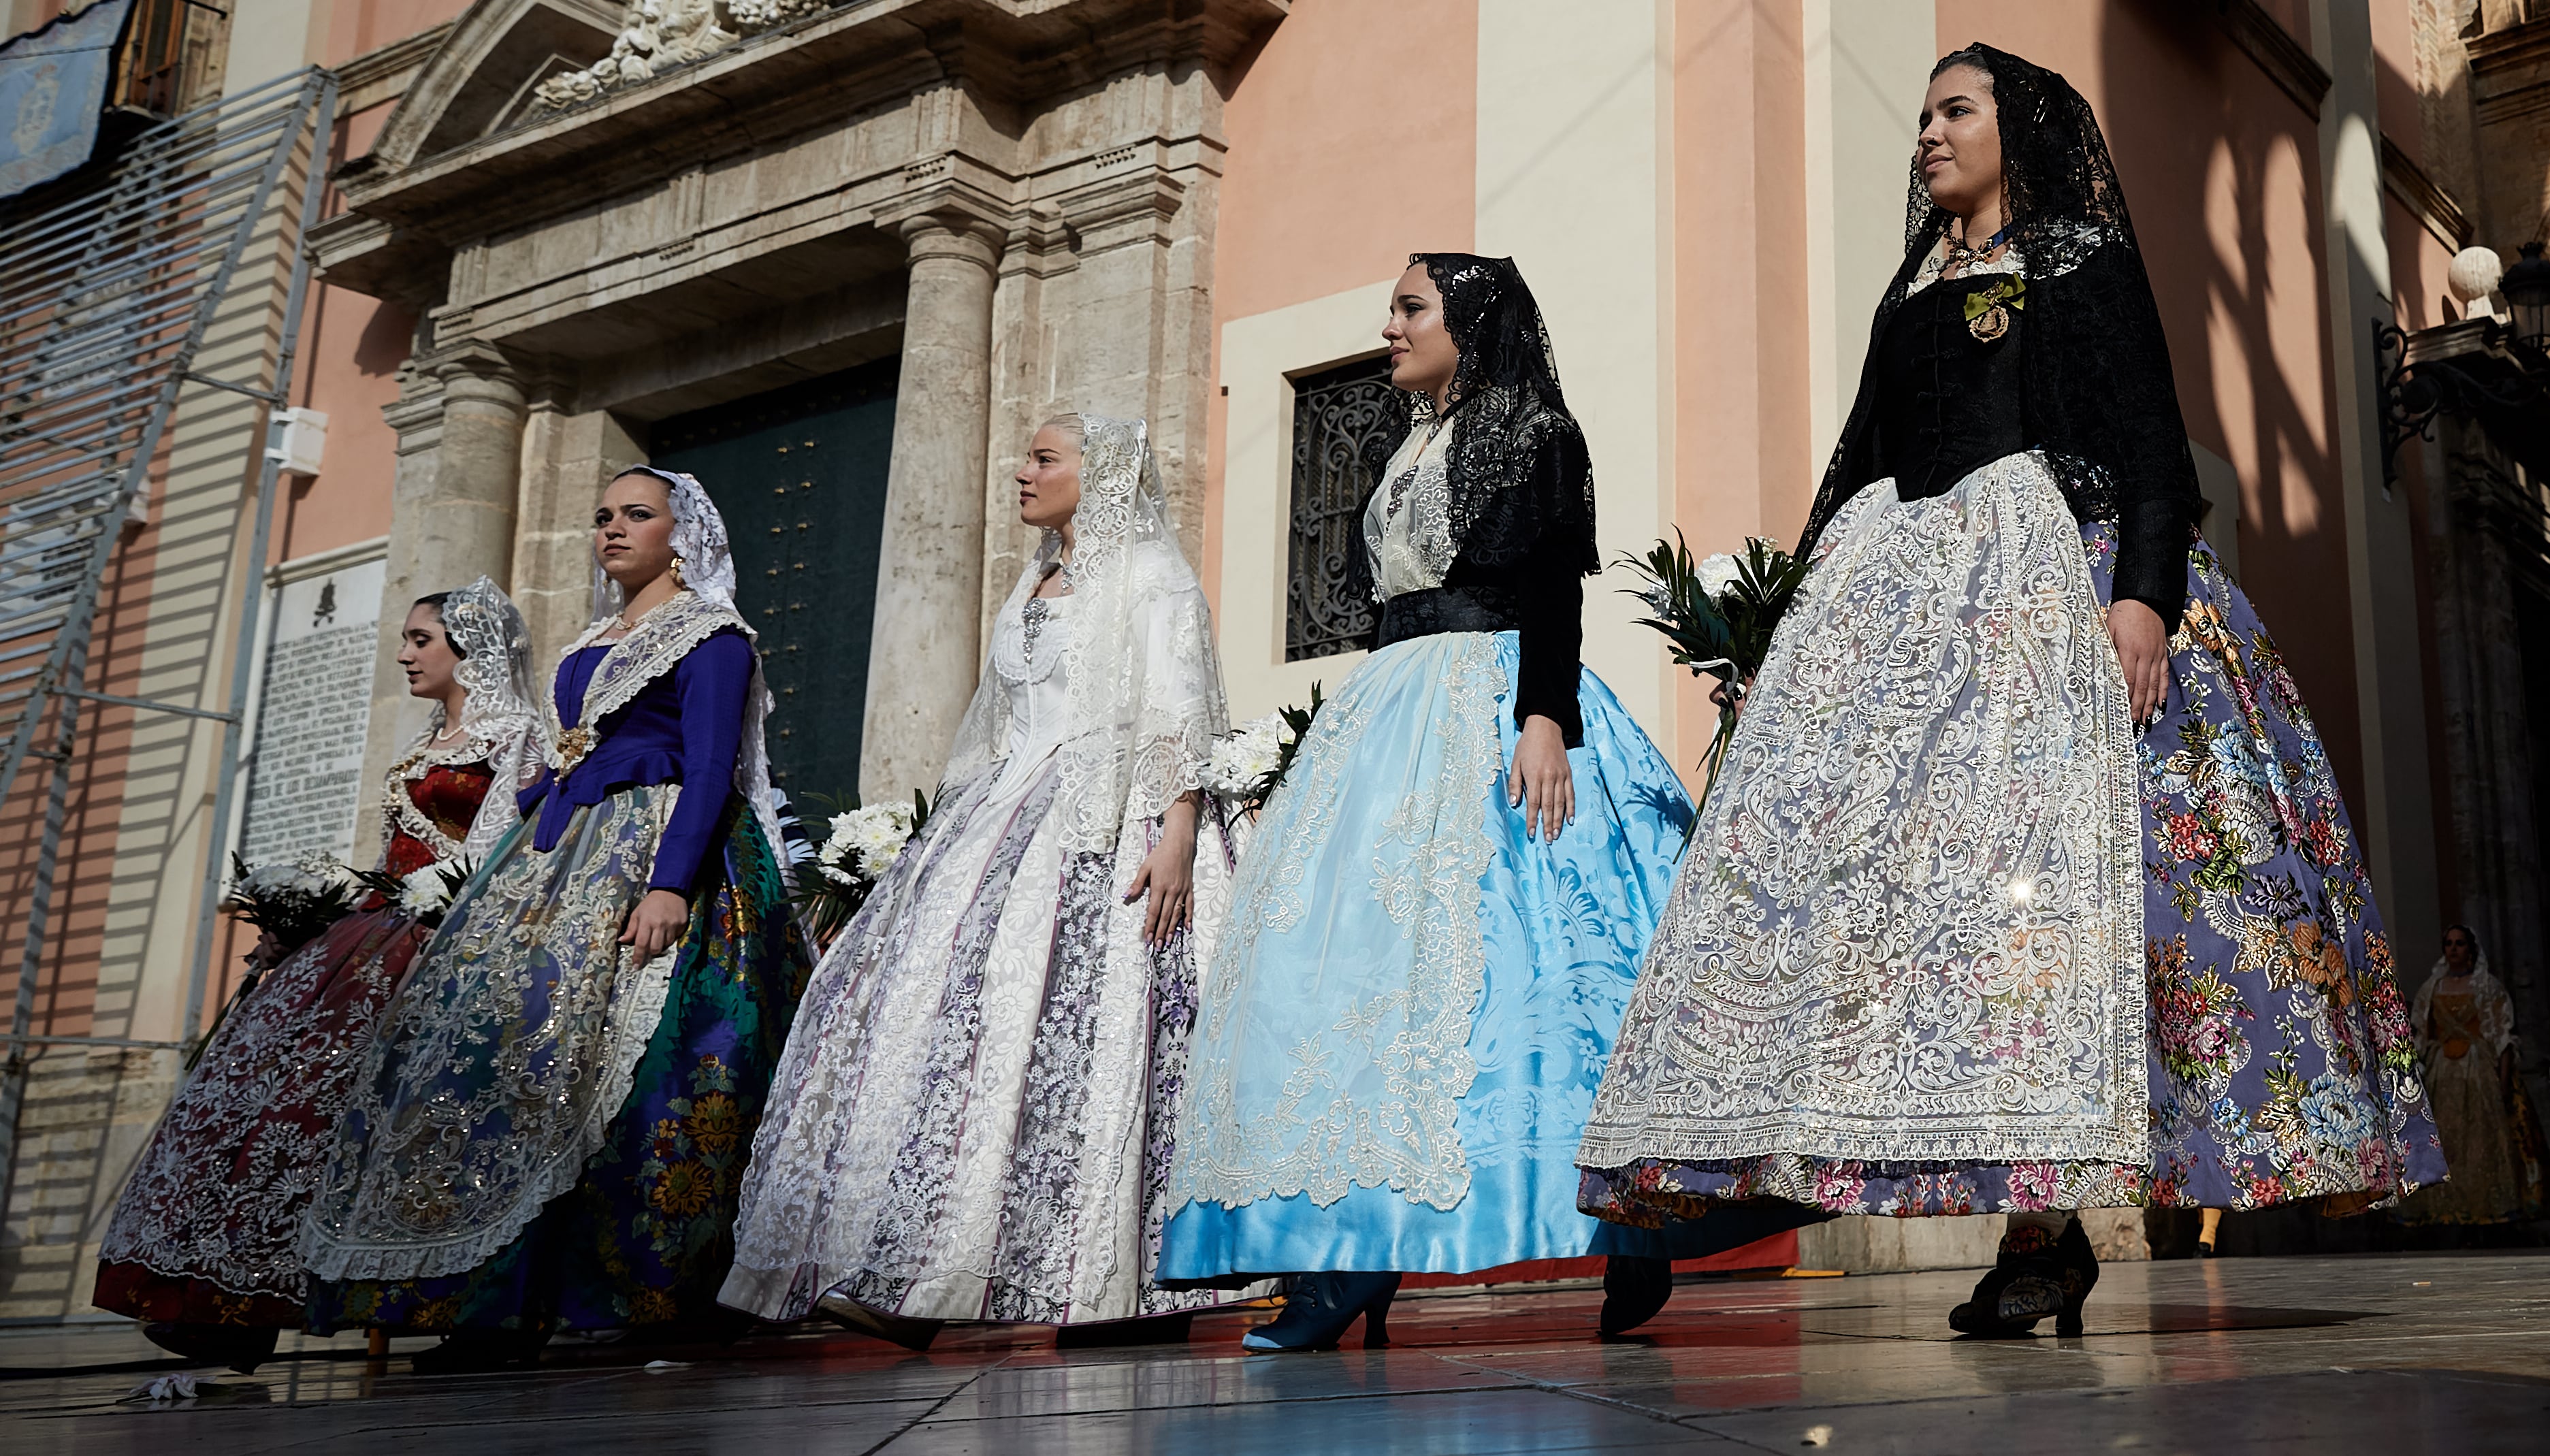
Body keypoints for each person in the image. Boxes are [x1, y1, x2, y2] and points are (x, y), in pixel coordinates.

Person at [1575, 45, 2442, 1337]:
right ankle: (1691, 1198)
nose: (1927, 133)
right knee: (1870, 915)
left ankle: (2047, 1234)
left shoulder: (2081, 258)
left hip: (2064, 593)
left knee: (2089, 916)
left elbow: (2151, 436)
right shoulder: (1905, 293)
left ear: (2013, 132)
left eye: (1954, 111)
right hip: (1905, 619)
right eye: (1921, 113)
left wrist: (2142, 594)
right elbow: (1852, 465)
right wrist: (1782, 644)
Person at [1159, 253, 1756, 1351]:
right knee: (1339, 978)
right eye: (1392, 307)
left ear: (1470, 326)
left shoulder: (1532, 432)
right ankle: (1347, 1255)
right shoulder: (1407, 447)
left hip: (1496, 695)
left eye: (1410, 307)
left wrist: (1545, 720)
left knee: (1556, 975)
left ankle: (1634, 1232)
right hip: (1388, 717)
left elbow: (1550, 591)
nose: (1389, 326)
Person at [722, 413, 1239, 1345]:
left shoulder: (1151, 574)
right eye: (1026, 455)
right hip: (1005, 810)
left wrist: (1178, 829)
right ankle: (908, 1266)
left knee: (1094, 1036)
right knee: (951, 1023)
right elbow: (1002, 719)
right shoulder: (1034, 577)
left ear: (1102, 471)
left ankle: (1107, 1275)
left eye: (1044, 457)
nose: (1021, 471)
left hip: (1112, 812)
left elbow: (1179, 703)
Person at [300, 469, 809, 1370]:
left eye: (636, 514)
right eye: (604, 515)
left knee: (648, 1066)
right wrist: (519, 821)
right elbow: (568, 759)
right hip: (559, 862)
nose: (613, 528)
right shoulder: (588, 643)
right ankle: (496, 1303)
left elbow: (705, 767)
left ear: (680, 532)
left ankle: (635, 1294)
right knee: (516, 1070)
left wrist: (668, 883)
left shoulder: (713, 637)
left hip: (660, 851)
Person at [91, 581, 543, 1372]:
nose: (404, 653)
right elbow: (386, 862)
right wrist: (302, 925)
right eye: (403, 638)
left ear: (469, 649)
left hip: (454, 945)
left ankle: (459, 1312)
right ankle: (225, 1305)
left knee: (399, 1126)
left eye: (420, 639)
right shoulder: (418, 746)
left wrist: (438, 910)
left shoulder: (520, 737)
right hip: (375, 937)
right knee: (269, 1101)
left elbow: (508, 854)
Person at [2404, 924, 2549, 1225]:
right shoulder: (2432, 987)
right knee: (2446, 1144)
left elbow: (2503, 1037)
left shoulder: (2487, 986)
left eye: (2460, 944)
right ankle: (2446, 1212)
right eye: (2449, 944)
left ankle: (2487, 1211)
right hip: (2442, 1073)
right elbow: (2420, 1033)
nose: (2454, 949)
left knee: (2482, 1143)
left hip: (2478, 1070)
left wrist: (2504, 1077)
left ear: (2470, 949)